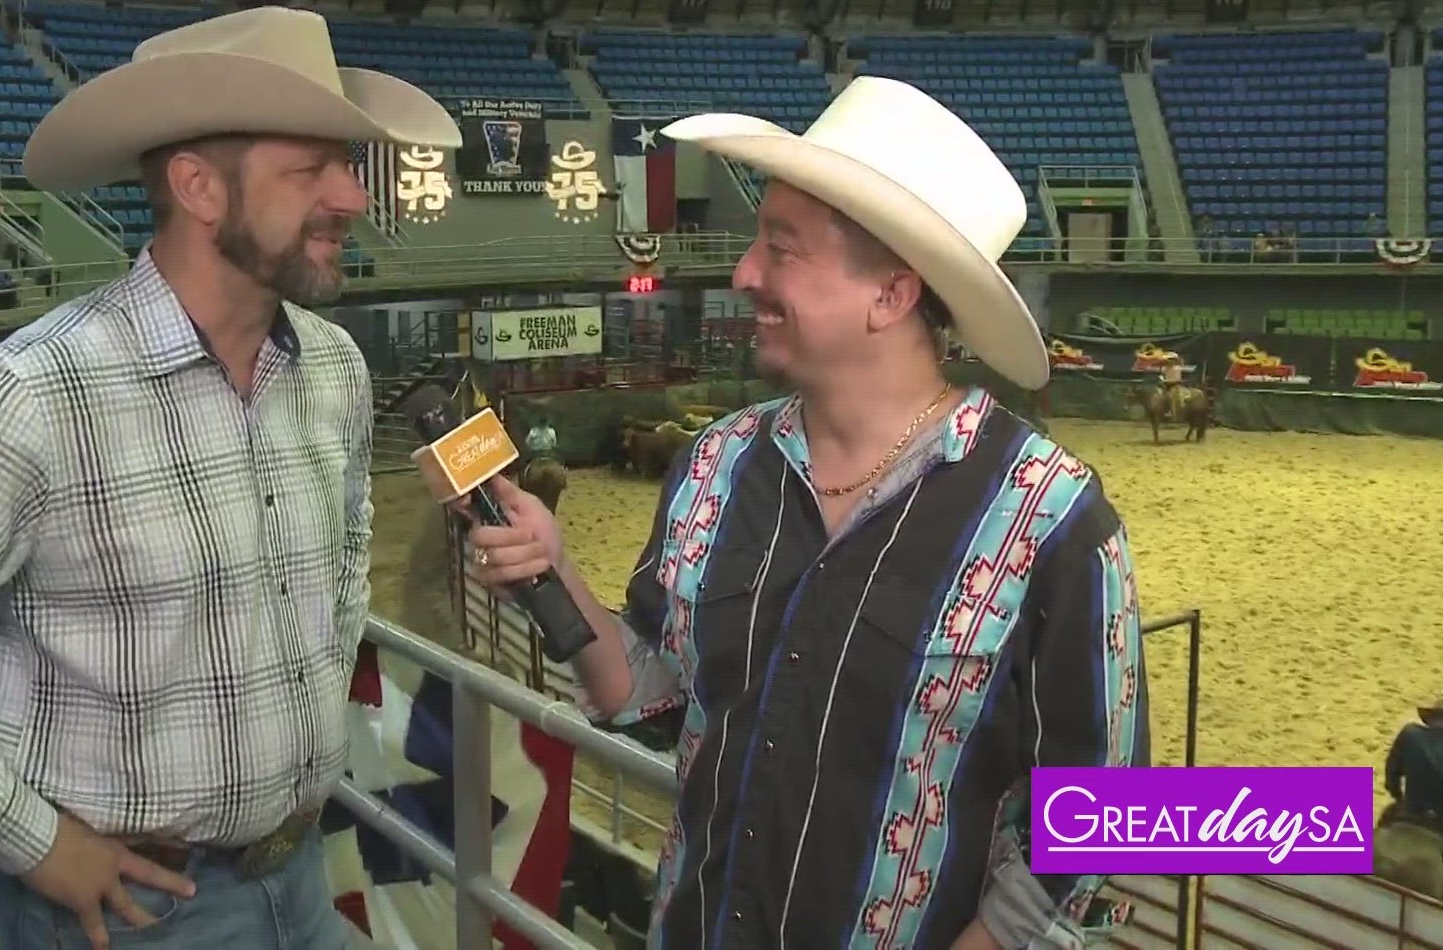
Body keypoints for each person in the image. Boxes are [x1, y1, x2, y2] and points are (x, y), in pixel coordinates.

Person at [0, 6, 460, 950]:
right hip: (132, 912)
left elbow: (343, 557)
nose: (351, 196)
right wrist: (34, 840)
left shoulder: (334, 370)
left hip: (302, 877)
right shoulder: (34, 394)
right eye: (312, 168)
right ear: (198, 189)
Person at [465, 76, 1150, 949]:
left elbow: (1104, 823)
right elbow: (652, 694)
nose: (745, 273)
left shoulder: (1055, 522)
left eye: (782, 248)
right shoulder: (713, 465)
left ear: (892, 294)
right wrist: (550, 568)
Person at [1384, 694, 1443, 850]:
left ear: (1430, 719)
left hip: (1411, 811)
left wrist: (1398, 797)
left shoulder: (1410, 733)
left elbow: (1391, 774)